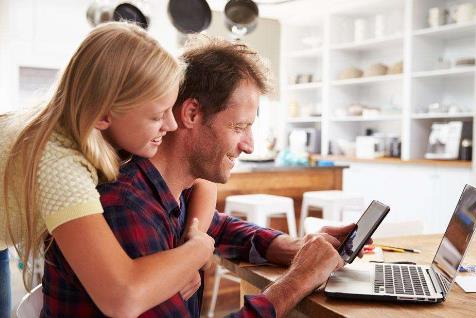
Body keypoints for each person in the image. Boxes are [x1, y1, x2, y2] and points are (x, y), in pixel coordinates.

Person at [42, 35, 356, 317]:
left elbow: (218, 226)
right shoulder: (126, 207)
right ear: (191, 114)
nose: (249, 145)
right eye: (239, 127)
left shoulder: (170, 189)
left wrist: (291, 246)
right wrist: (299, 280)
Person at [0, 22, 216, 317]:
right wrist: (196, 253)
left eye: (170, 109)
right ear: (104, 114)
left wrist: (183, 257)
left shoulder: (85, 125)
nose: (172, 124)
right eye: (156, 116)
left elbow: (201, 180)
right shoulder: (59, 164)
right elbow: (121, 297)